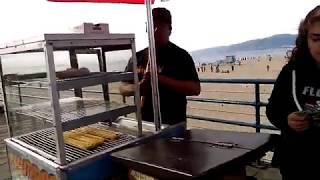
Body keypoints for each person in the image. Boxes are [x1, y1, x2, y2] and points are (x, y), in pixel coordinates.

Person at [119, 7, 200, 125]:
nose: (155, 30)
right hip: (144, 124)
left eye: (161, 26)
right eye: (152, 26)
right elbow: (122, 88)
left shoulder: (181, 56)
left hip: (173, 124)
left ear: (170, 30)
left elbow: (195, 88)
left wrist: (159, 79)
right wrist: (138, 88)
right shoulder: (137, 57)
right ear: (147, 29)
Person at [266, 6, 320, 180]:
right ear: (306, 39)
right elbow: (273, 110)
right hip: (296, 160)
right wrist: (287, 120)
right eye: (316, 39)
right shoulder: (291, 71)